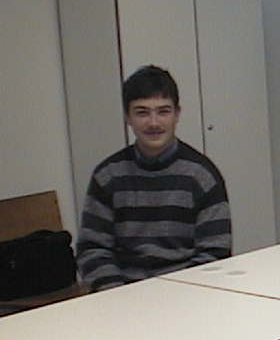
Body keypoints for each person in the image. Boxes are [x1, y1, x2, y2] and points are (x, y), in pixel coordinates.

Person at [76, 65, 231, 290]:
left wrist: (177, 294)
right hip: (122, 295)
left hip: (188, 295)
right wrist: (117, 295)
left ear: (177, 114)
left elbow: (216, 252)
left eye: (163, 111)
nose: (154, 123)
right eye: (142, 112)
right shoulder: (107, 176)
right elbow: (92, 249)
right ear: (127, 117)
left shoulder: (202, 175)